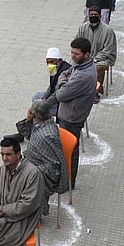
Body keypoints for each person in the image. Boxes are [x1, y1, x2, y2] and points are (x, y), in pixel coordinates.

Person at [43, 37, 97, 188]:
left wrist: (62, 83)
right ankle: (67, 178)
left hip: (72, 117)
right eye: (72, 52)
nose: (73, 56)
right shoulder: (84, 65)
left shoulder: (82, 75)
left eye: (77, 54)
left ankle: (69, 181)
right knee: (67, 147)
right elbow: (65, 72)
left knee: (69, 149)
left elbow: (60, 95)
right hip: (71, 113)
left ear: (86, 54)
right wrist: (64, 81)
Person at [22, 101, 69, 215]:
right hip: (33, 163)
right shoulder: (41, 125)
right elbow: (28, 135)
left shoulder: (48, 135)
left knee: (23, 182)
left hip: (45, 174)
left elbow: (54, 165)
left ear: (36, 116)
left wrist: (33, 171)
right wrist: (28, 120)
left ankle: (35, 211)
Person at [76, 5, 117, 103]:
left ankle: (95, 91)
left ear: (100, 16)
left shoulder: (108, 31)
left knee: (98, 68)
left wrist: (95, 58)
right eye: (91, 15)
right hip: (86, 56)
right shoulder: (83, 28)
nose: (93, 16)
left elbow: (108, 50)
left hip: (103, 58)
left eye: (95, 15)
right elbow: (77, 42)